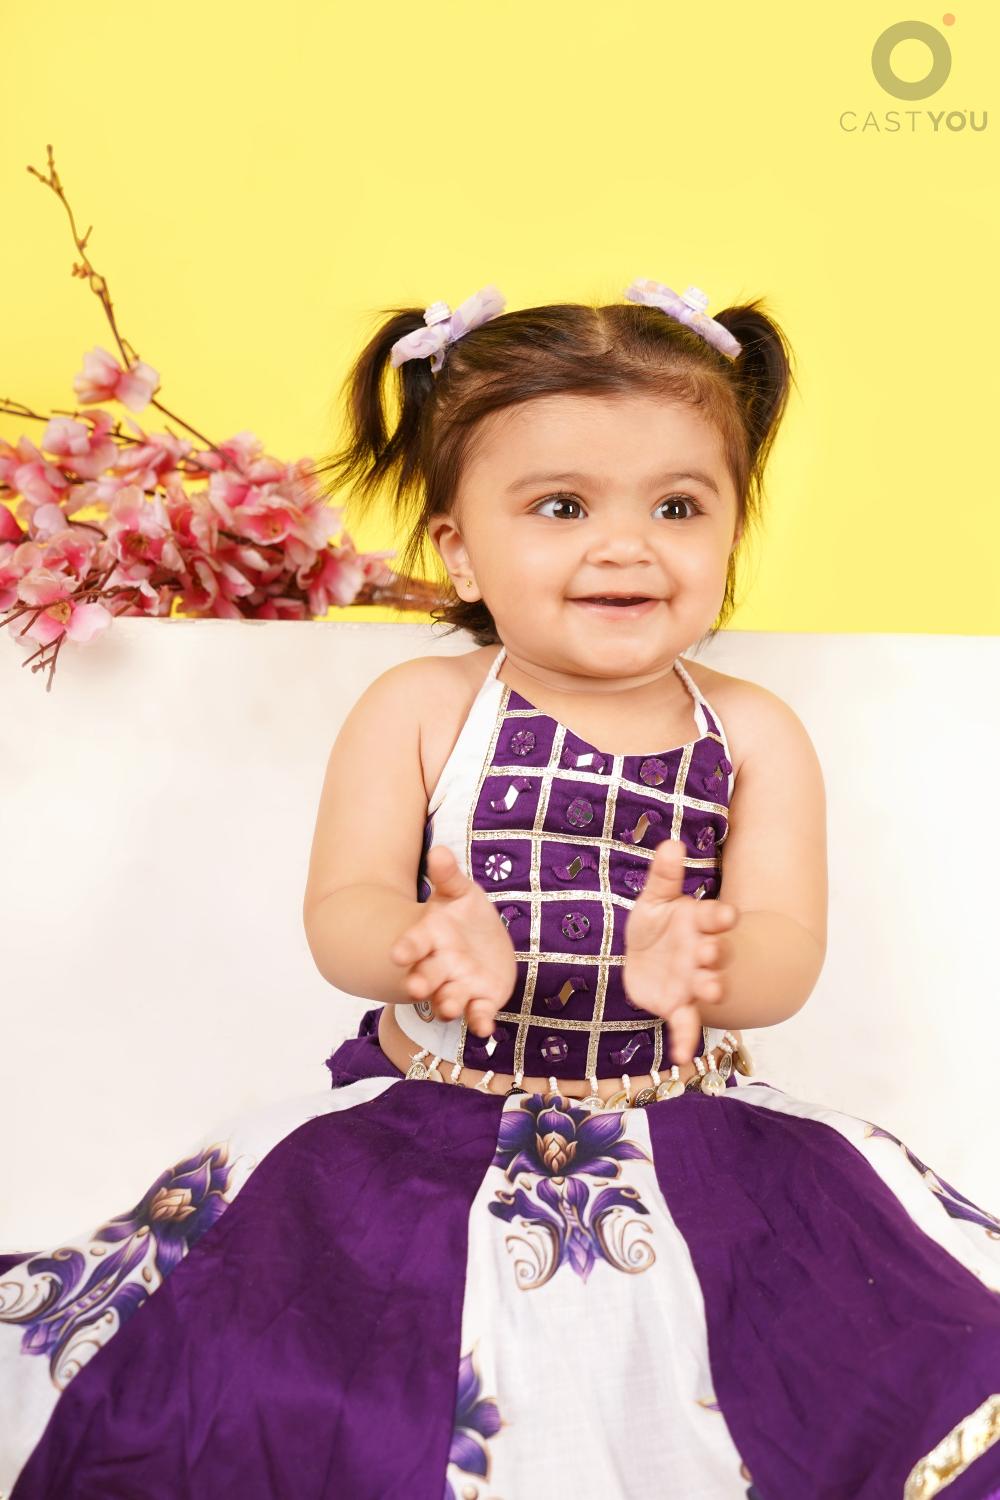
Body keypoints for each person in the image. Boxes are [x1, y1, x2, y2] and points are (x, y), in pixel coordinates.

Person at [1, 279, 998, 1500]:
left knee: (897, 1355)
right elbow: (342, 909)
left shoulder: (751, 734)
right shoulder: (421, 709)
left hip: (684, 1127)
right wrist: (418, 944)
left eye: (678, 505)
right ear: (458, 548)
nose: (626, 545)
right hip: (427, 1124)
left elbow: (787, 948)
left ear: (732, 529)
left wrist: (712, 965)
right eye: (562, 506)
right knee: (278, 1379)